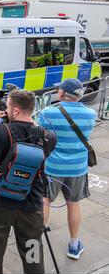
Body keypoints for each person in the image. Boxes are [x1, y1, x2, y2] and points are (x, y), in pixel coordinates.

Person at [0, 90, 57, 274]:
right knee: (33, 257)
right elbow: (35, 132)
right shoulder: (49, 137)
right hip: (30, 208)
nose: (5, 110)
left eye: (7, 107)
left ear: (14, 111)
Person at [39, 78, 96, 260]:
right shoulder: (90, 114)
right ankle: (73, 245)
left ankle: (36, 241)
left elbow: (41, 135)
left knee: (45, 200)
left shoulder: (48, 113)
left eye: (59, 90)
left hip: (52, 167)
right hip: (77, 168)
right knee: (74, 204)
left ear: (62, 93)